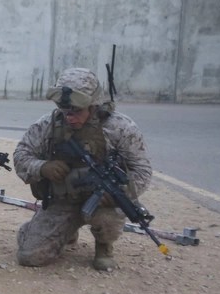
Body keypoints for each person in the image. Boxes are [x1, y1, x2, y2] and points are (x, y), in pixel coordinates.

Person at [13, 67, 152, 270]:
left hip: (101, 204)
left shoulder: (120, 128)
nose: (69, 117)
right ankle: (64, 231)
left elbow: (142, 170)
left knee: (107, 216)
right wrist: (42, 167)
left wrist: (118, 192)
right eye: (65, 110)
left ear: (93, 106)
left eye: (77, 111)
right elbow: (21, 155)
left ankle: (104, 246)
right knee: (29, 256)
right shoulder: (47, 125)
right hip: (63, 201)